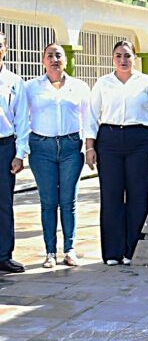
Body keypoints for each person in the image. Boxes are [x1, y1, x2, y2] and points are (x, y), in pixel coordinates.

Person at [85, 40, 148, 266]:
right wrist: (90, 147)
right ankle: (113, 252)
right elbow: (91, 117)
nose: (123, 60)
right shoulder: (103, 83)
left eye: (127, 55)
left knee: (138, 196)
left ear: (134, 58)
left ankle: (133, 250)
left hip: (139, 142)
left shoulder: (146, 83)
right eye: (118, 56)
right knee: (111, 195)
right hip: (109, 141)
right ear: (113, 58)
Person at [26, 44, 90, 268]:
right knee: (48, 202)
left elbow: (88, 119)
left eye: (58, 55)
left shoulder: (79, 87)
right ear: (43, 61)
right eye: (50, 56)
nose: (54, 59)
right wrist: (21, 150)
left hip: (71, 146)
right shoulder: (31, 87)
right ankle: (50, 252)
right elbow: (22, 119)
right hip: (41, 148)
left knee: (68, 201)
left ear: (65, 60)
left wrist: (90, 147)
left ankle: (70, 249)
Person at [0, 31, 29, 273]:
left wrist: (20, 153)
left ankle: (3, 255)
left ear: (5, 49)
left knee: (4, 203)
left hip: (4, 146)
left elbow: (22, 120)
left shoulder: (14, 81)